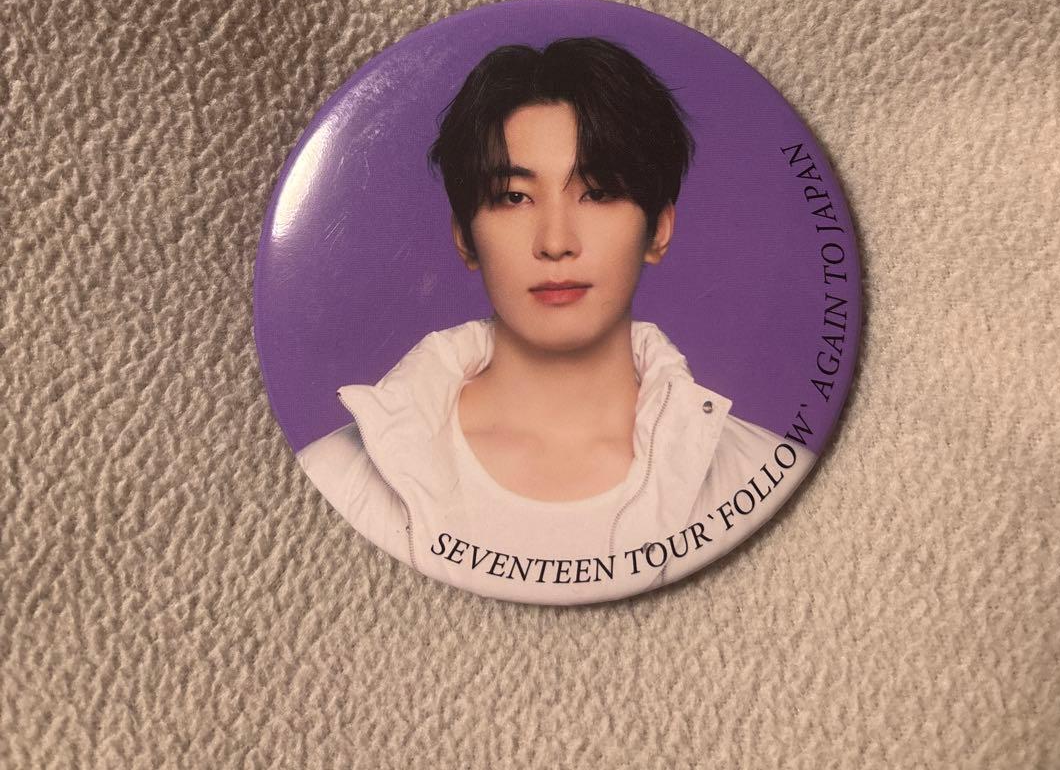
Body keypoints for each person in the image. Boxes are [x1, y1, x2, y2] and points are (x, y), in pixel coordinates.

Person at [297, 38, 816, 604]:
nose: (555, 242)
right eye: (514, 197)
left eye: (598, 192)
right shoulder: (335, 474)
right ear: (464, 236)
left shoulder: (760, 471)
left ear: (659, 230)